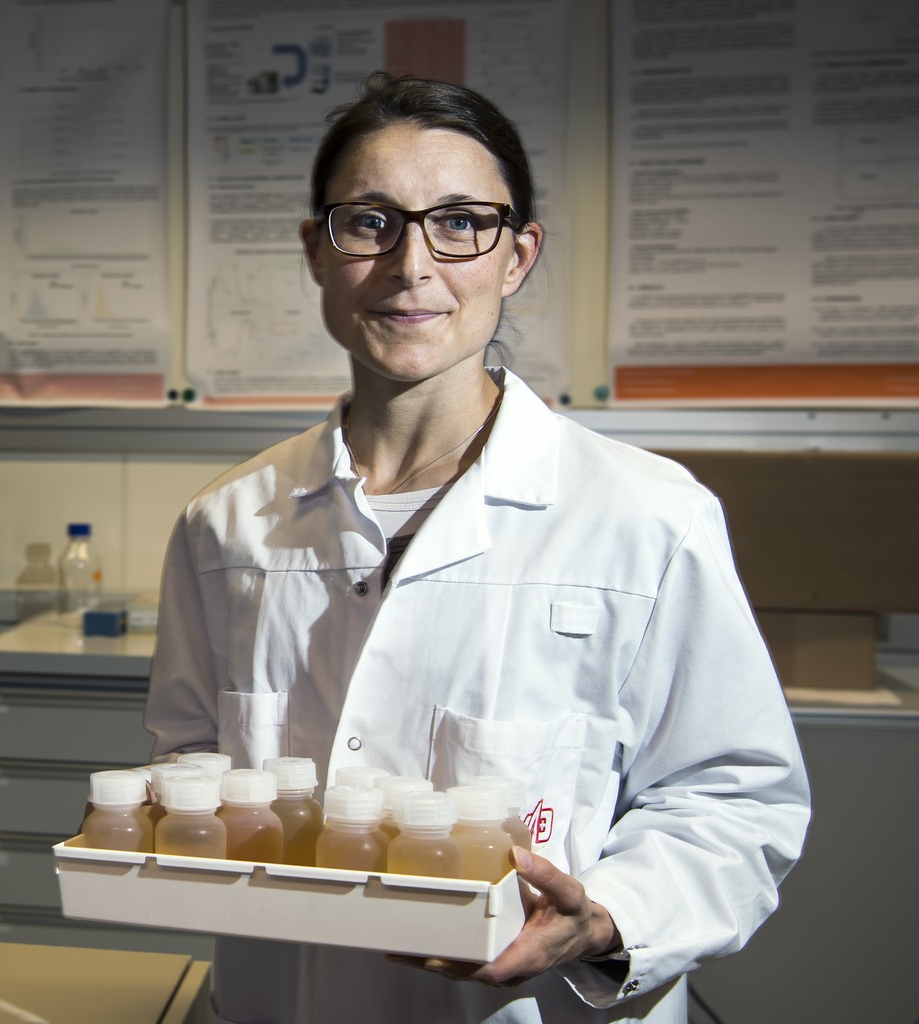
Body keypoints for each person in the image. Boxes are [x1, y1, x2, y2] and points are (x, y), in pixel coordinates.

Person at [144, 73, 810, 1024]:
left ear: (516, 256)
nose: (413, 265)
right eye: (370, 222)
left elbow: (734, 798)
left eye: (460, 222)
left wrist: (610, 918)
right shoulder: (227, 524)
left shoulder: (647, 516)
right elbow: (190, 759)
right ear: (317, 252)